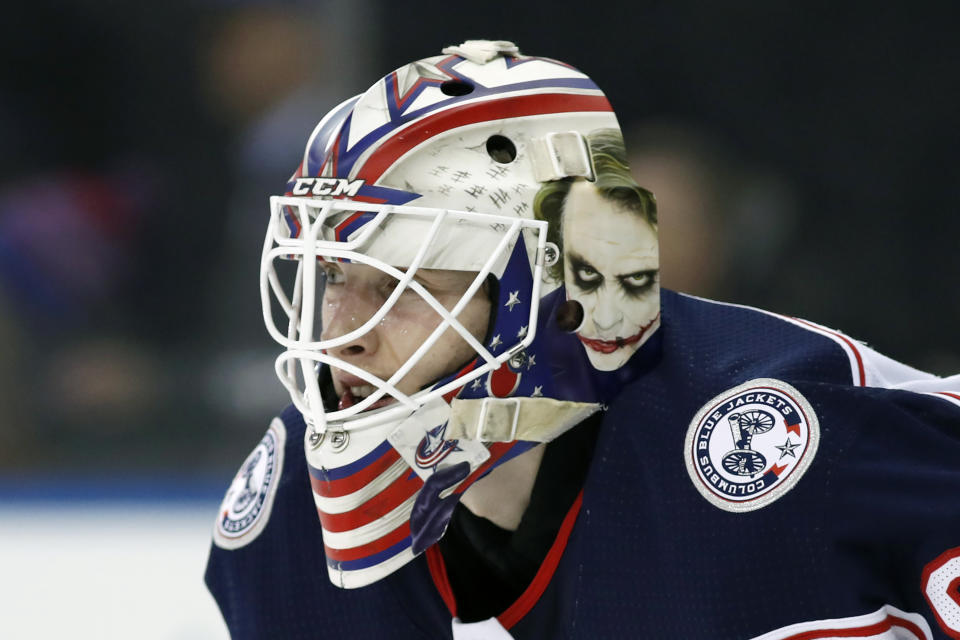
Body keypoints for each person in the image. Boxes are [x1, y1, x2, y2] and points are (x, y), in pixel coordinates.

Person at [205, 40, 960, 639]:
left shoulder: (791, 435)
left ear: (566, 291)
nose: (342, 338)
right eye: (335, 276)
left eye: (409, 287)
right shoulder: (294, 500)